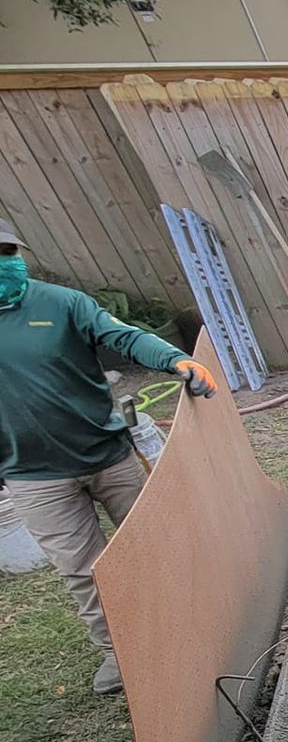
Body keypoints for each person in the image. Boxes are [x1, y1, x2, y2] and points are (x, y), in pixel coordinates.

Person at [0, 218, 217, 694]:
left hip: (108, 455)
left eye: (8, 253)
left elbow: (124, 336)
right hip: (32, 476)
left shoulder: (60, 303)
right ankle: (120, 654)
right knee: (83, 569)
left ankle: (198, 625)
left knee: (154, 544)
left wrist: (174, 359)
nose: (5, 263)